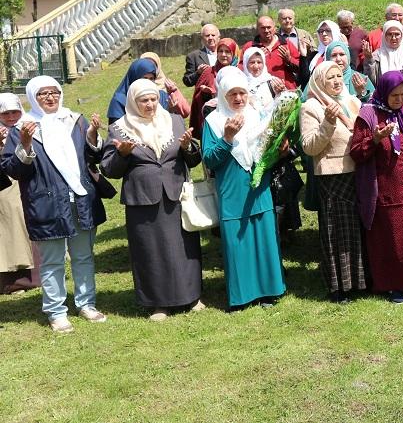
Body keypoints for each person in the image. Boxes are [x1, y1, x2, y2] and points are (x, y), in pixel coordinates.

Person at [1, 77, 107, 333]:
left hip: (80, 198)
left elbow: (93, 157)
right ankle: (56, 311)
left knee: (83, 256)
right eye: (43, 94)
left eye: (54, 92)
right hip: (46, 202)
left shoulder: (75, 120)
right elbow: (11, 169)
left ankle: (86, 303)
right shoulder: (23, 128)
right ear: (32, 97)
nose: (50, 97)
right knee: (52, 261)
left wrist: (93, 136)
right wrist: (25, 144)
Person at [100, 79, 204, 321]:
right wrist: (122, 155)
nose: (150, 104)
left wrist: (188, 148)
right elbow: (109, 169)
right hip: (143, 201)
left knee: (184, 248)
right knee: (151, 251)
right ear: (133, 102)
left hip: (176, 194)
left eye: (154, 99)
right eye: (144, 100)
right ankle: (158, 304)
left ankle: (191, 296)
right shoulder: (118, 129)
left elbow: (194, 159)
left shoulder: (174, 121)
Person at [350, 71, 403, 304]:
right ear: (383, 92)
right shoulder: (369, 114)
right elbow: (356, 152)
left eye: (402, 94)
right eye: (393, 95)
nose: (398, 99)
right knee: (395, 238)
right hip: (389, 188)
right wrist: (376, 140)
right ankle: (394, 284)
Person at [202, 72, 286, 310]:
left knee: (264, 235)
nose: (238, 98)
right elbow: (209, 159)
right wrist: (227, 138)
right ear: (223, 96)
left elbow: (266, 150)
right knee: (238, 239)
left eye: (242, 93)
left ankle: (270, 290)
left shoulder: (258, 115)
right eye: (232, 94)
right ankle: (242, 295)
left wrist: (279, 150)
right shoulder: (213, 122)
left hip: (259, 185)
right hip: (232, 186)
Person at [300, 61, 366, 303]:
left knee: (357, 229)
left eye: (340, 76)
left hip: (357, 172)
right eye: (331, 78)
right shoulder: (312, 107)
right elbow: (309, 147)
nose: (337, 81)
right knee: (336, 232)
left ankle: (360, 281)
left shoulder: (352, 102)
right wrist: (328, 123)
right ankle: (339, 287)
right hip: (332, 175)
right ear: (319, 81)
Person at [0, 93, 40, 295]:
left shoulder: (29, 125)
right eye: (5, 113)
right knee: (13, 229)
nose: (10, 116)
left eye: (14, 111)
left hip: (29, 183)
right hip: (6, 188)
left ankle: (37, 275)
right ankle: (14, 280)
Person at [190, 38, 237, 142]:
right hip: (212, 122)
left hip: (234, 120)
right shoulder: (208, 72)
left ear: (233, 53)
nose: (224, 55)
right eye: (220, 51)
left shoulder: (239, 72)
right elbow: (197, 100)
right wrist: (207, 95)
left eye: (227, 51)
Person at [243, 15, 300, 90]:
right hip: (260, 93)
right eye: (263, 28)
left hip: (287, 92)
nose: (266, 30)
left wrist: (289, 59)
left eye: (269, 27)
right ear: (258, 29)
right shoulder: (250, 47)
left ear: (274, 28)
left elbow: (301, 67)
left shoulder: (286, 44)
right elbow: (242, 71)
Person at [107, 59, 169, 124]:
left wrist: (172, 107)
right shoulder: (120, 101)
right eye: (144, 78)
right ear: (134, 78)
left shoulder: (161, 96)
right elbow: (115, 131)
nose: (148, 82)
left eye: (151, 79)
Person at [140, 52, 191, 118]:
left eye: (152, 65)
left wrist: (174, 92)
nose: (149, 68)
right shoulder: (134, 88)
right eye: (145, 65)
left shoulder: (166, 85)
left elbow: (185, 112)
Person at [276, 8, 316, 88]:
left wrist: (308, 49)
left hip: (303, 74)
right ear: (279, 20)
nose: (287, 21)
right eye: (284, 18)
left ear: (294, 19)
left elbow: (315, 53)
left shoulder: (304, 34)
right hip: (283, 76)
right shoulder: (275, 37)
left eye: (290, 18)